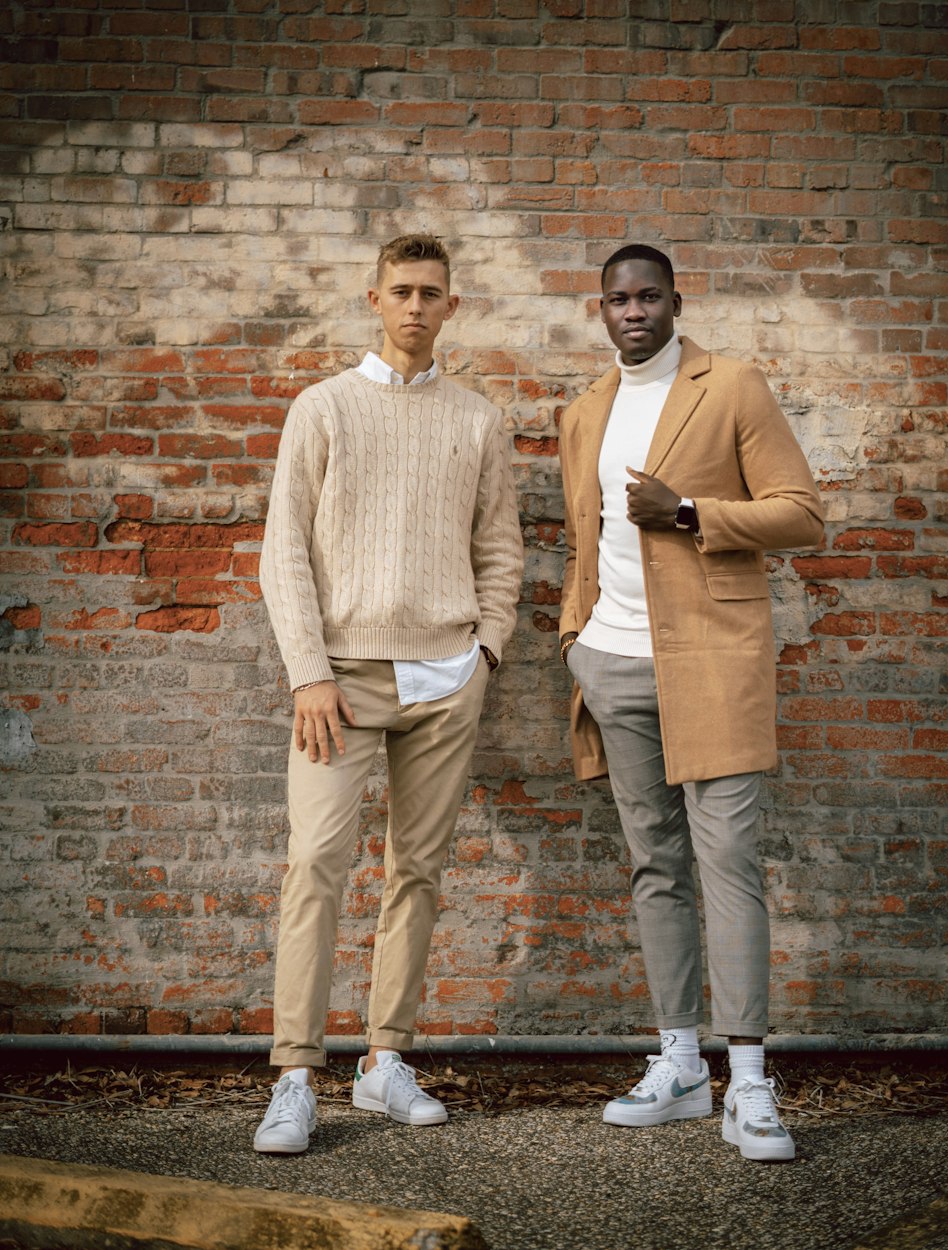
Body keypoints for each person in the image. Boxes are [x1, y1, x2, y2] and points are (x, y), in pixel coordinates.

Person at [254, 233, 523, 1153]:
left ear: (452, 307)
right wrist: (309, 674)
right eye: (401, 291)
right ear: (374, 298)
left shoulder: (477, 419)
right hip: (341, 680)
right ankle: (296, 1074)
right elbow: (283, 551)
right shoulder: (322, 408)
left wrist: (485, 654)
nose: (415, 306)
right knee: (316, 867)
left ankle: (383, 1062)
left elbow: (500, 549)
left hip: (447, 677)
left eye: (432, 293)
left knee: (418, 872)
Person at [558, 244, 824, 1162]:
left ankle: (748, 1080)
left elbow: (803, 514)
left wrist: (687, 513)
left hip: (713, 663)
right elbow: (581, 542)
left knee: (729, 867)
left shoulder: (732, 386)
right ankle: (679, 1064)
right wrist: (575, 639)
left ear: (675, 301)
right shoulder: (584, 410)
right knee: (655, 867)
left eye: (648, 297)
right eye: (616, 300)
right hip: (616, 666)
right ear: (601, 310)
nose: (632, 312)